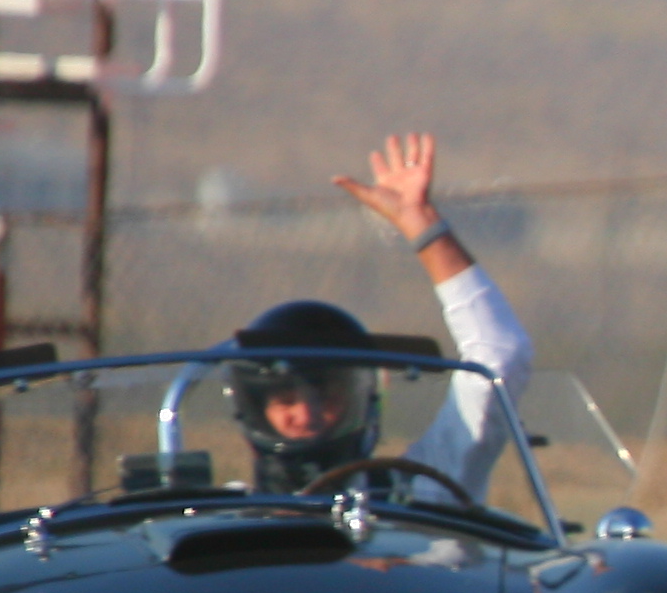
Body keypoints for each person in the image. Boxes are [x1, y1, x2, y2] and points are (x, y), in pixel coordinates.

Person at [218, 132, 535, 502]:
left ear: (362, 401)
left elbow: (500, 359)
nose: (307, 415)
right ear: (254, 410)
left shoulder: (419, 489)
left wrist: (423, 227)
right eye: (286, 400)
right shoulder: (216, 519)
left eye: (327, 397)